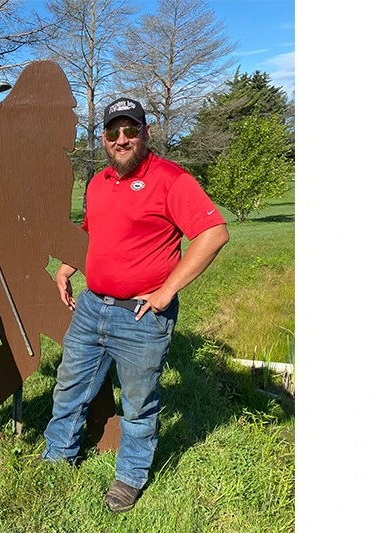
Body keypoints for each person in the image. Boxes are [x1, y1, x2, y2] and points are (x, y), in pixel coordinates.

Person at [40, 97, 230, 513]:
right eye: (113, 132)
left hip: (143, 316)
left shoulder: (171, 179)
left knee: (139, 404)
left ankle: (129, 477)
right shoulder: (99, 182)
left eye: (130, 130)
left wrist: (165, 292)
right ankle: (57, 456)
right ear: (104, 138)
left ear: (146, 133)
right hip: (92, 308)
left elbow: (213, 233)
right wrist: (67, 268)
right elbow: (93, 232)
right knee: (70, 388)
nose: (121, 139)